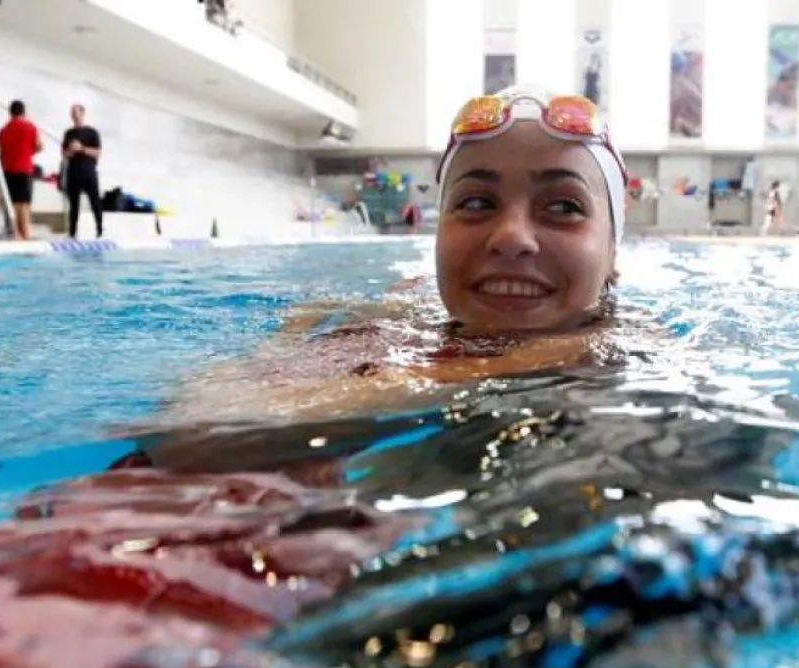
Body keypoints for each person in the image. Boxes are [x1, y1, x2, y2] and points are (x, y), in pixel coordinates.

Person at [164, 85, 659, 428]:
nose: (512, 238)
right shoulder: (395, 322)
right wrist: (289, 342)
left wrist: (418, 382)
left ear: (614, 251)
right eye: (477, 203)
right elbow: (203, 413)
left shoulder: (645, 373)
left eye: (563, 207)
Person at [0, 100, 42, 241]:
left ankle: (16, 234)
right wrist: (28, 152)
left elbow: (0, 153)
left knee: (13, 203)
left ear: (10, 112)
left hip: (8, 169)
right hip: (24, 168)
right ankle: (25, 233)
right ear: (23, 112)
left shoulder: (2, 130)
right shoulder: (30, 127)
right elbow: (39, 146)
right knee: (24, 203)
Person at [61, 104, 104, 240]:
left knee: (94, 201)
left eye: (76, 113)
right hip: (73, 171)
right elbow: (64, 153)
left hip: (89, 171)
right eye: (72, 113)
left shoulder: (92, 132)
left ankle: (99, 228)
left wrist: (82, 149)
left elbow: (97, 152)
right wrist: (70, 152)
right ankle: (72, 232)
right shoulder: (68, 133)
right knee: (74, 204)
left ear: (82, 113)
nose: (74, 116)